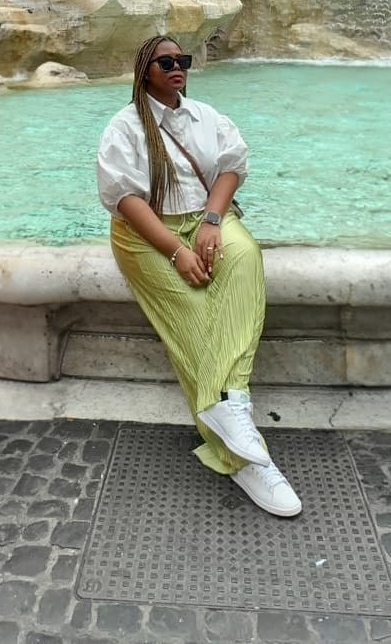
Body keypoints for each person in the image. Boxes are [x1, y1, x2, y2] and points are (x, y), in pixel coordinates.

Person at [96, 34, 302, 517]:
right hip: (145, 232)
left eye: (181, 60)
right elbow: (125, 199)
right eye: (165, 61)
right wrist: (174, 252)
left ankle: (227, 408)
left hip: (205, 217)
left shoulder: (206, 116)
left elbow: (232, 166)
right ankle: (243, 452)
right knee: (192, 311)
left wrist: (212, 222)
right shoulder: (124, 127)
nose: (176, 67)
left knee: (246, 254)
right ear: (144, 70)